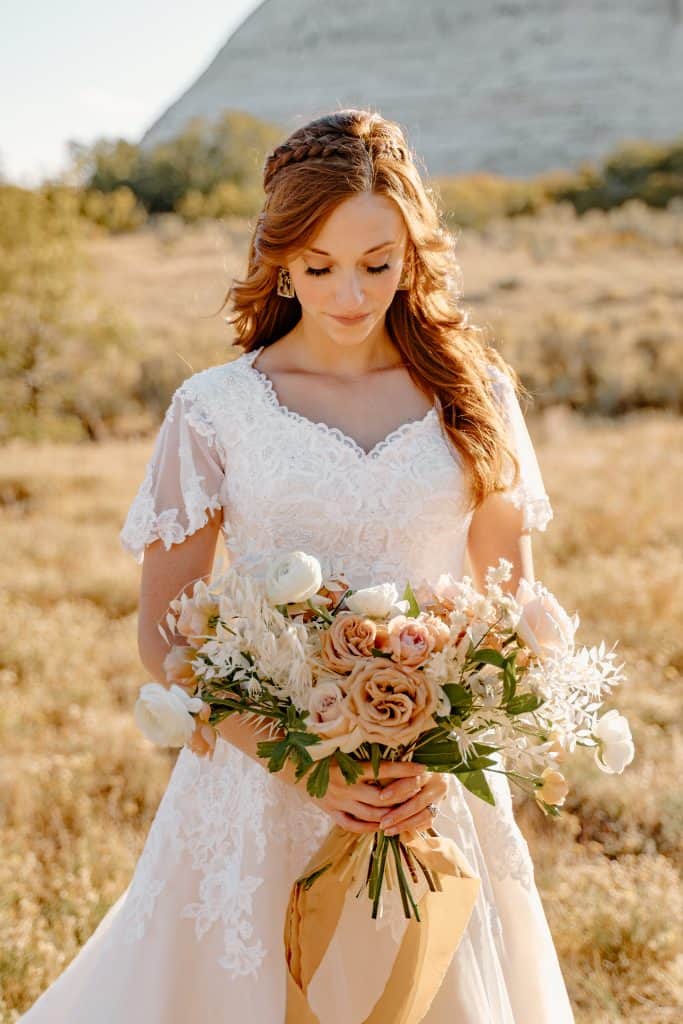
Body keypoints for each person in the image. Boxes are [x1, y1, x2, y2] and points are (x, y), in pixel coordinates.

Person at [19, 108, 575, 1023]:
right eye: (319, 267)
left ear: (414, 254)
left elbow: (513, 605)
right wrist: (300, 762)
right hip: (257, 789)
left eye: (376, 264)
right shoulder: (215, 410)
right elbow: (165, 633)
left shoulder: (475, 396)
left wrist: (442, 762)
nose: (350, 295)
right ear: (279, 257)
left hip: (428, 792)